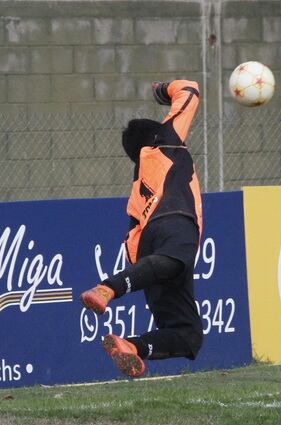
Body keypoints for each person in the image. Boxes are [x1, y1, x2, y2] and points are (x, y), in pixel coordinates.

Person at [79, 79, 204, 378]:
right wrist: (162, 90)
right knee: (174, 259)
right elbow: (189, 90)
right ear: (156, 134)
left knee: (187, 334)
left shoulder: (138, 186)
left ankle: (130, 346)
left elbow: (132, 242)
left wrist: (145, 274)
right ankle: (107, 287)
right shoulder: (166, 141)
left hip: (149, 247)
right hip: (176, 221)